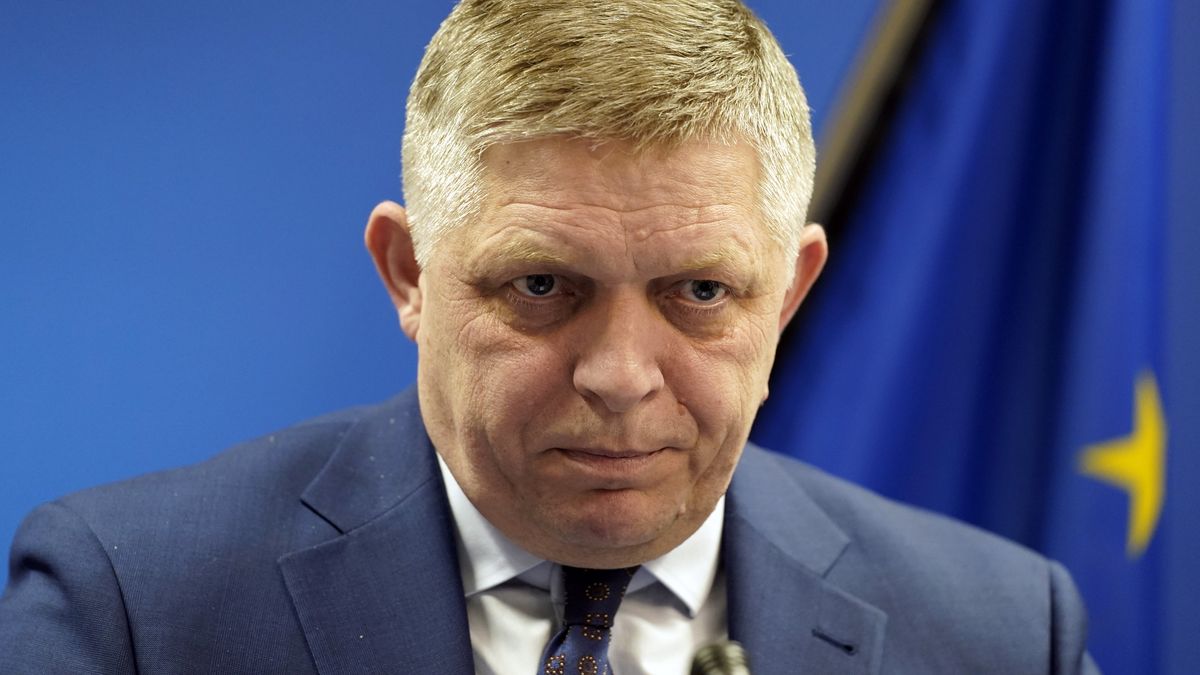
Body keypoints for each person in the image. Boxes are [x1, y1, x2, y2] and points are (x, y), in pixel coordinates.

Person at [0, 0, 1098, 673]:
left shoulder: (1004, 633)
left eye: (701, 291)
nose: (619, 376)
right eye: (541, 285)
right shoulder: (131, 608)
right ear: (409, 273)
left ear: (789, 294)